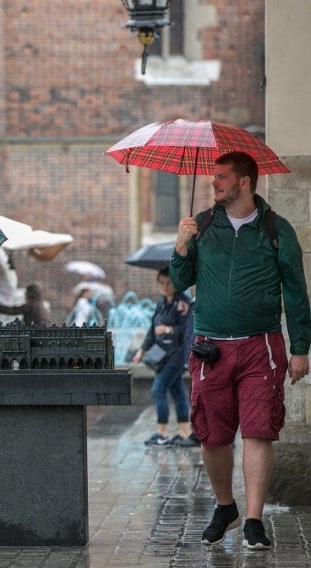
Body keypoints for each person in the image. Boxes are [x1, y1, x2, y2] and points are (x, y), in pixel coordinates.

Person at [171, 151, 311, 550]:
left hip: (260, 346)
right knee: (211, 435)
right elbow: (180, 282)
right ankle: (225, 506)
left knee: (258, 430)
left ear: (245, 181)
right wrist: (180, 247)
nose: (214, 182)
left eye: (222, 177)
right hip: (210, 347)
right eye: (213, 177)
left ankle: (253, 520)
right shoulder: (201, 226)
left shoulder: (276, 229)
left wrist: (300, 347)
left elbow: (297, 294)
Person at [131, 268, 198, 448]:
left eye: (169, 282)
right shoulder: (161, 303)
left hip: (175, 355)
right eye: (161, 282)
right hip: (161, 353)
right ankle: (184, 432)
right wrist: (141, 351)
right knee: (177, 391)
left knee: (157, 389)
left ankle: (162, 433)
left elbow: (188, 331)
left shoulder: (183, 303)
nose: (165, 286)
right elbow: (152, 330)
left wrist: (168, 330)